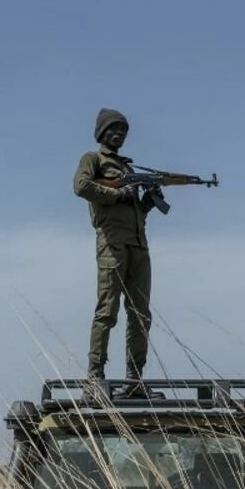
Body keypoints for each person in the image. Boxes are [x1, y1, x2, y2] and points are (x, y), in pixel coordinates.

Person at [72, 108, 163, 398]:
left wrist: (146, 202)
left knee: (141, 314)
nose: (119, 134)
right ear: (101, 132)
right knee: (107, 310)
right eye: (113, 129)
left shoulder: (129, 169)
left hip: (138, 245)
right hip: (112, 244)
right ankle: (94, 377)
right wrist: (117, 193)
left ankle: (135, 381)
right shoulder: (93, 159)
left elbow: (135, 211)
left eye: (123, 130)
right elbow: (82, 186)